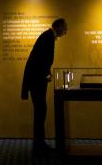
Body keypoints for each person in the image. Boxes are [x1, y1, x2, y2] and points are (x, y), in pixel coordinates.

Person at [21, 17, 68, 155]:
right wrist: (45, 74)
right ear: (58, 27)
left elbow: (40, 59)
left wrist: (46, 73)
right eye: (64, 28)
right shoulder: (47, 37)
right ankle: (39, 146)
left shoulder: (47, 36)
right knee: (40, 111)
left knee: (40, 111)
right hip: (37, 82)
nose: (66, 31)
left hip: (36, 80)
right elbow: (40, 60)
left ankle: (39, 144)